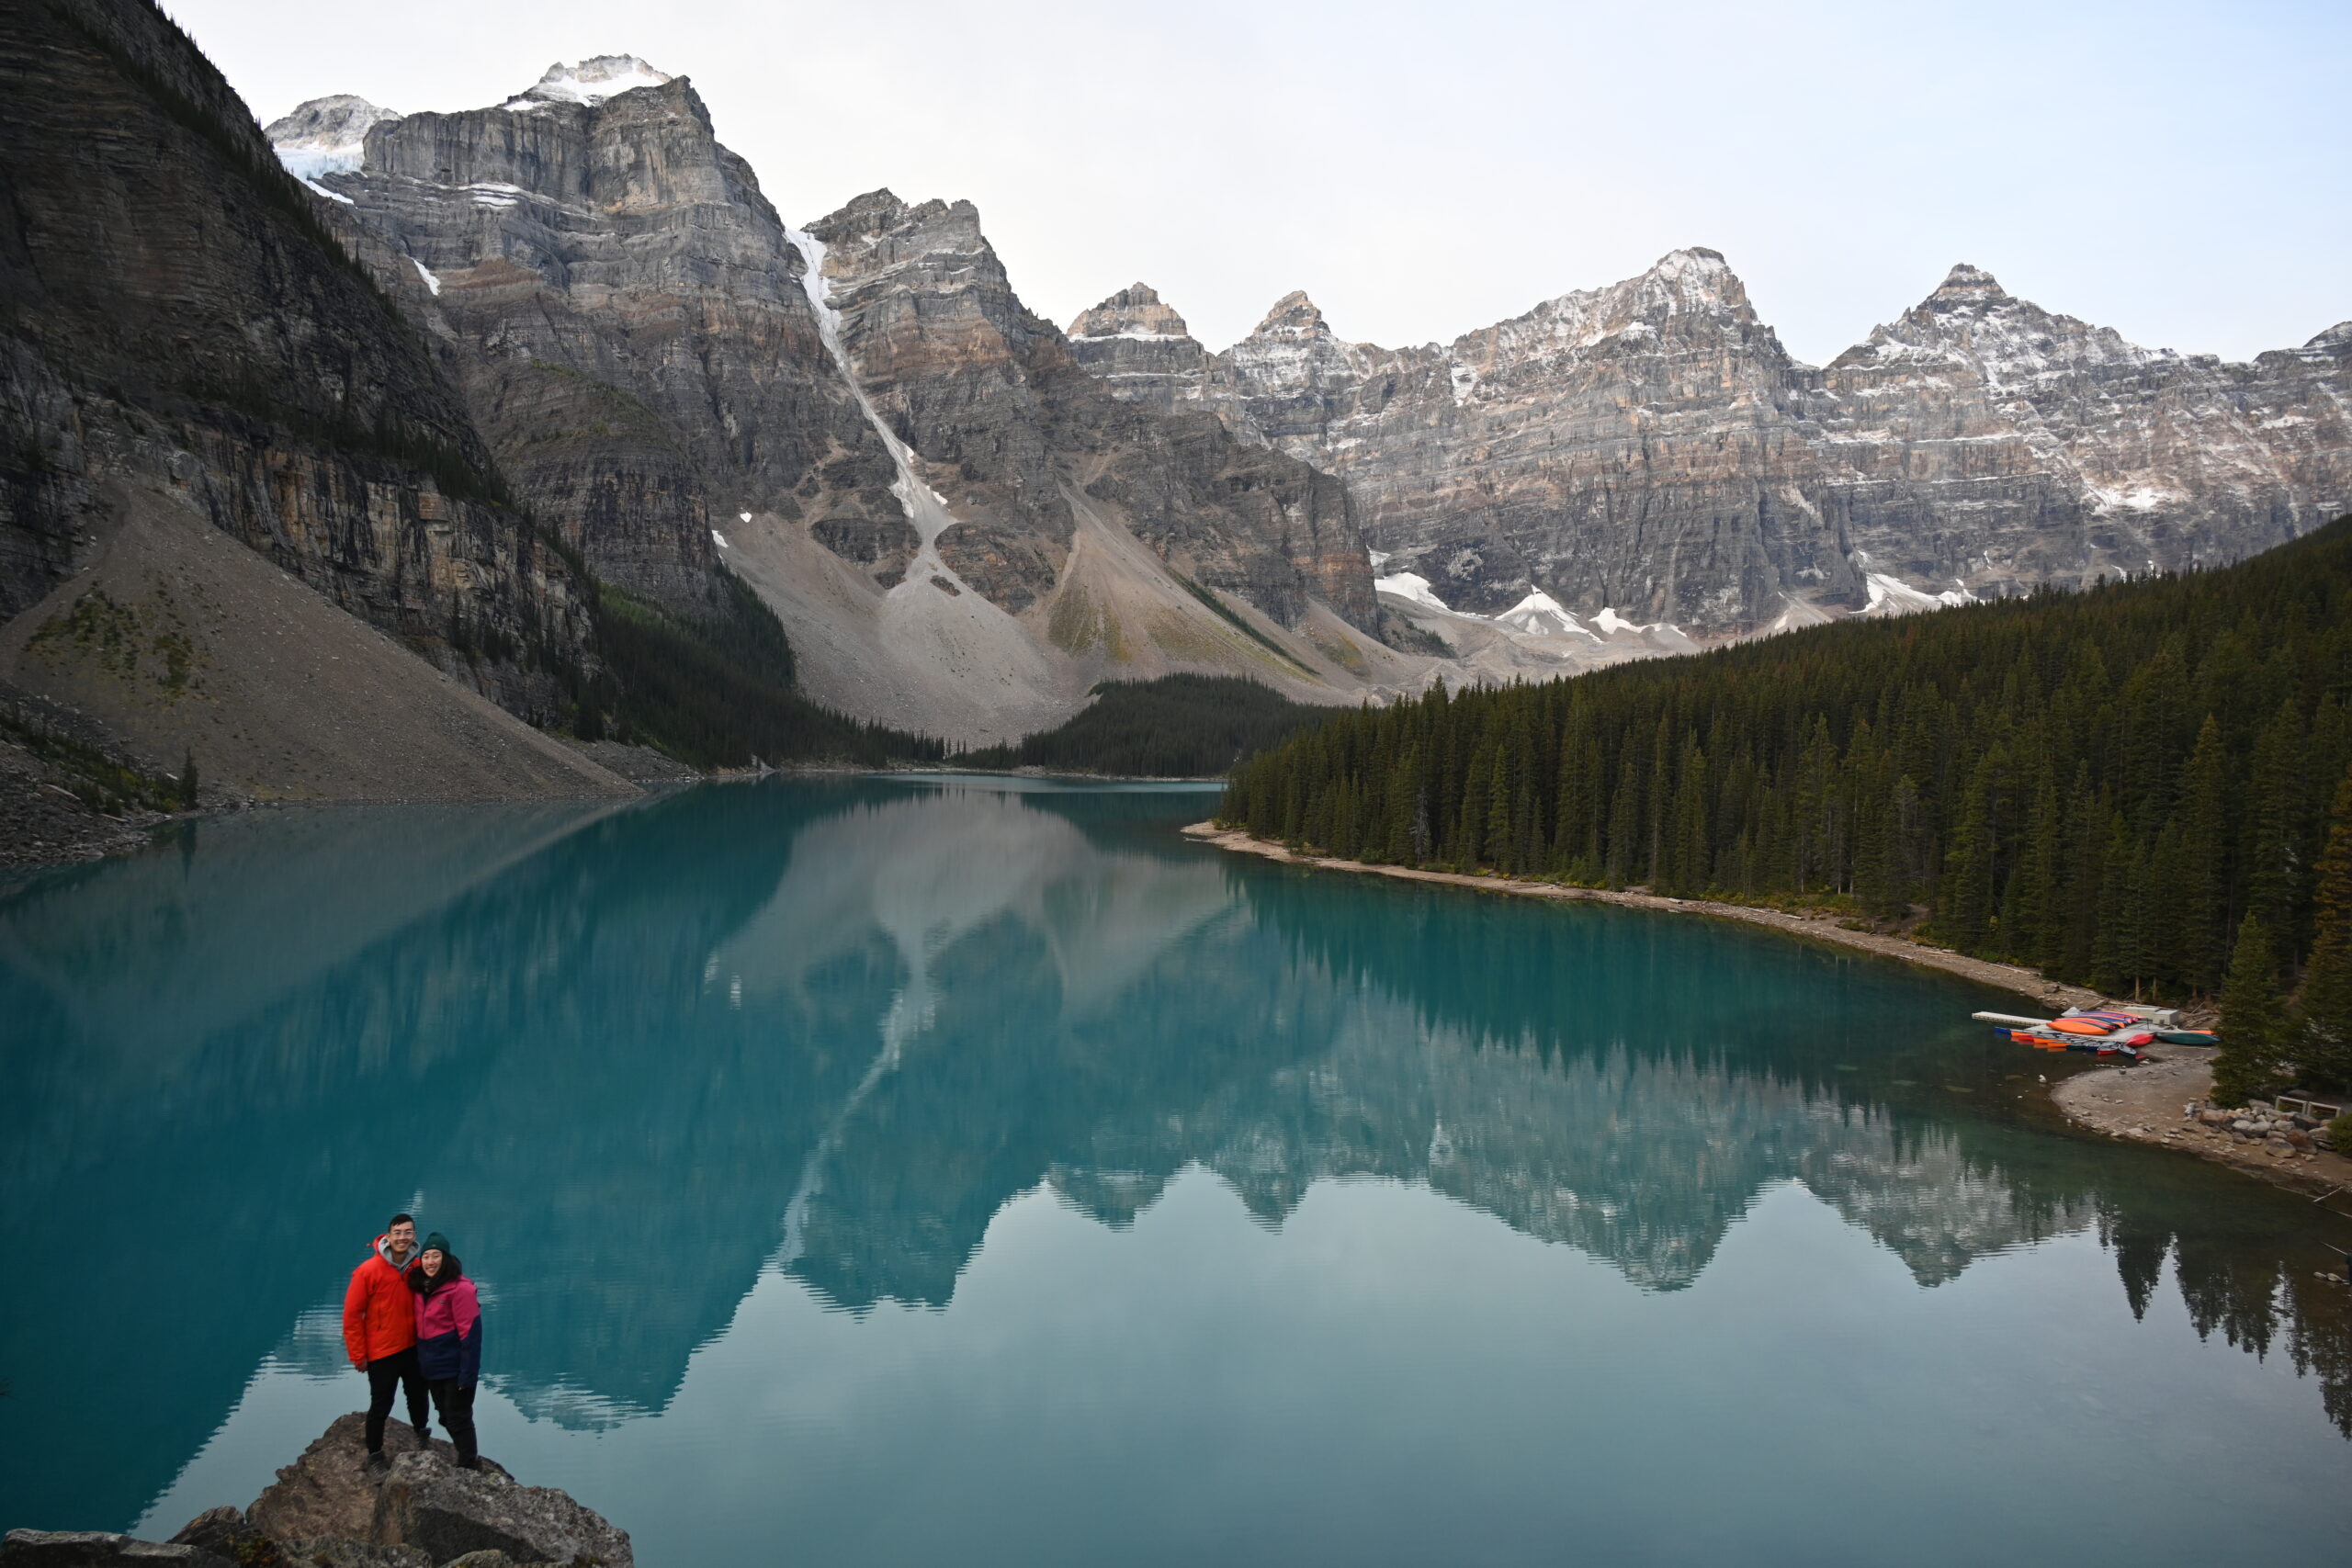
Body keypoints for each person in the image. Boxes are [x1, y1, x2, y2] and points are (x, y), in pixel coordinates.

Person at [342, 1213, 429, 1468]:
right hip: (383, 1350)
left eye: (408, 1232)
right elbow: (352, 1315)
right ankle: (375, 1454)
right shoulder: (368, 1271)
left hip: (413, 1346)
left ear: (414, 1236)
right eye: (398, 1233)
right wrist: (358, 1354)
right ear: (388, 1237)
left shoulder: (418, 1266)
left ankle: (421, 1435)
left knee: (418, 1395)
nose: (403, 1237)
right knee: (381, 1402)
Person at [410, 1232, 483, 1470]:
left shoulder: (460, 1289)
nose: (431, 1261)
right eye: (426, 1256)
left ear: (446, 1258)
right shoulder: (422, 1287)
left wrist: (468, 1375)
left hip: (455, 1367)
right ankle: (466, 1457)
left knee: (459, 1418)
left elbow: (470, 1336)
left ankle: (468, 1465)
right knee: (445, 1416)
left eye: (436, 1256)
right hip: (432, 1367)